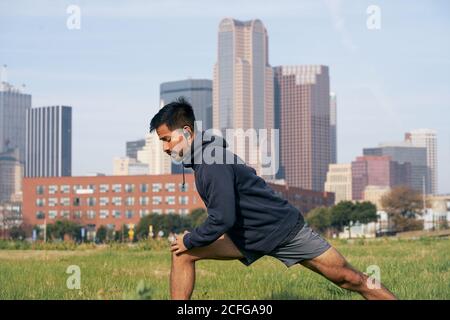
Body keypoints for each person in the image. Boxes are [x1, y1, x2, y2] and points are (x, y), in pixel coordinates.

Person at [149, 97, 397, 300]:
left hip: (282, 230)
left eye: (167, 139)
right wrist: (190, 243)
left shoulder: (213, 162)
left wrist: (191, 238)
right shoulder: (203, 161)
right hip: (248, 236)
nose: (165, 148)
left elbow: (222, 217)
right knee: (182, 253)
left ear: (186, 132)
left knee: (350, 279)